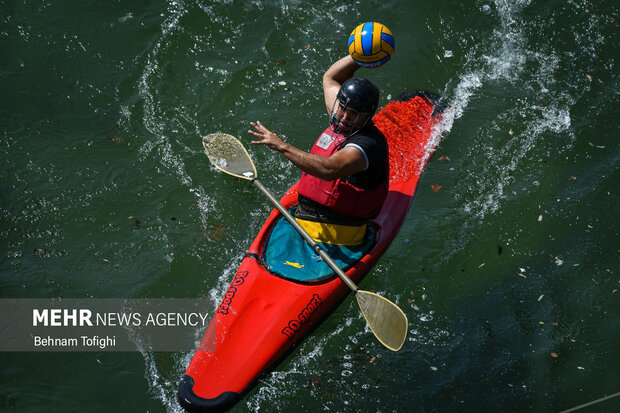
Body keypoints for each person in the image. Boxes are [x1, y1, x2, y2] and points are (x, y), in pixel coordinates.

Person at [249, 55, 389, 247]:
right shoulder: (340, 115)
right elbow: (330, 78)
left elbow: (330, 170)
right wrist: (360, 56)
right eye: (342, 107)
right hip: (304, 221)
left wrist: (281, 146)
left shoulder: (367, 145)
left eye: (354, 113)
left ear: (367, 116)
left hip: (340, 236)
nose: (344, 117)